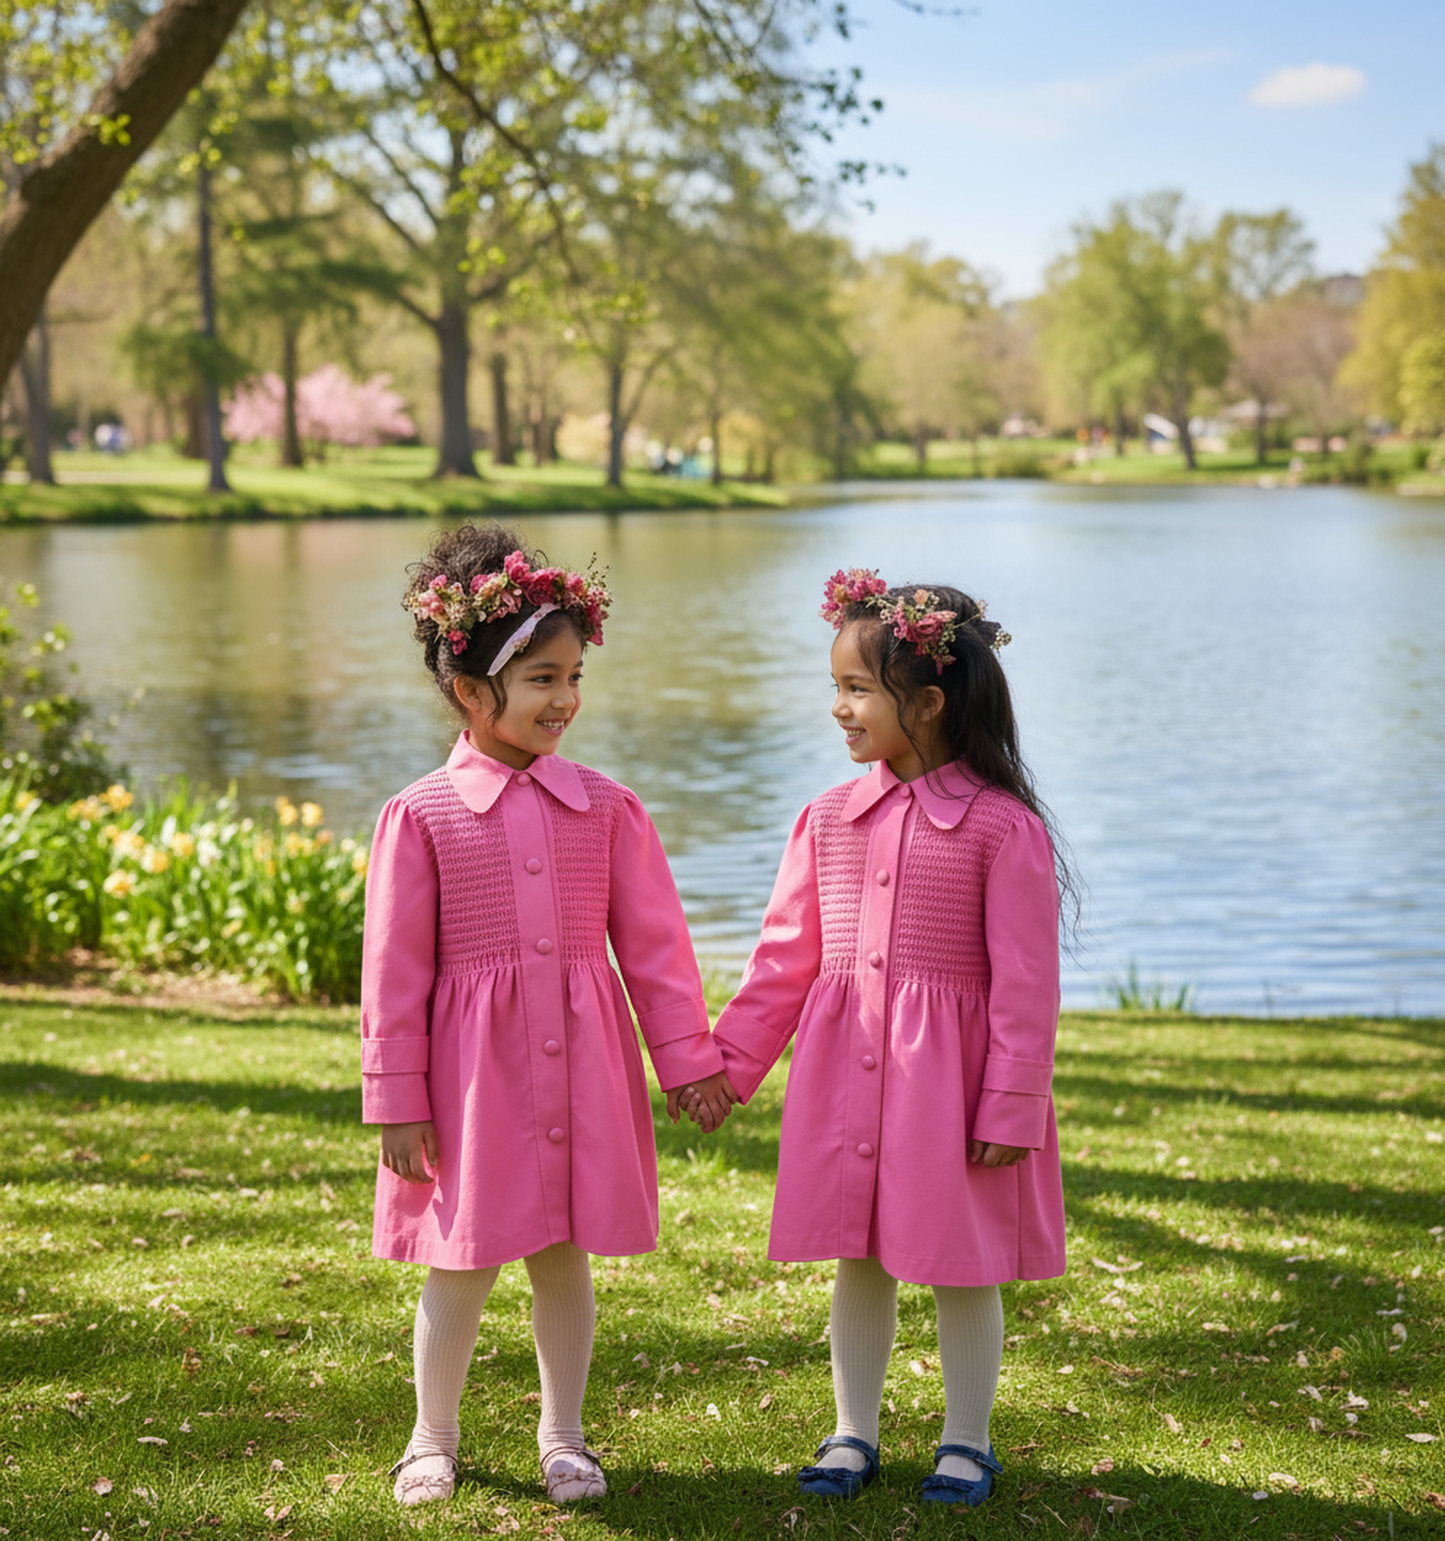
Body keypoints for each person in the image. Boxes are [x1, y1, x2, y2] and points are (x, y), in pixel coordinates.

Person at [362, 523, 734, 1508]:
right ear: (470, 690)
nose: (564, 698)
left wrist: (686, 1060)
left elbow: (654, 950)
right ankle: (429, 1437)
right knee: (461, 1256)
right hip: (470, 1078)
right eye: (539, 679)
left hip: (581, 1067)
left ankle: (563, 1434)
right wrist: (396, 1098)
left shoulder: (606, 807)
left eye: (572, 675)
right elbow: (392, 973)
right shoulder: (422, 813)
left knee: (563, 1250)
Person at [712, 568, 1069, 1508]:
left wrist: (1013, 1100)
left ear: (929, 700)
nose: (837, 708)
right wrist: (727, 1069)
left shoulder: (1000, 829)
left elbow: (1027, 987)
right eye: (835, 686)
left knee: (961, 1259)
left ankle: (965, 1439)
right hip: (844, 1082)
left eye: (856, 688)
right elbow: (781, 961)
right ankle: (853, 1430)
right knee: (856, 1250)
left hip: (947, 1089)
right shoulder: (826, 818)